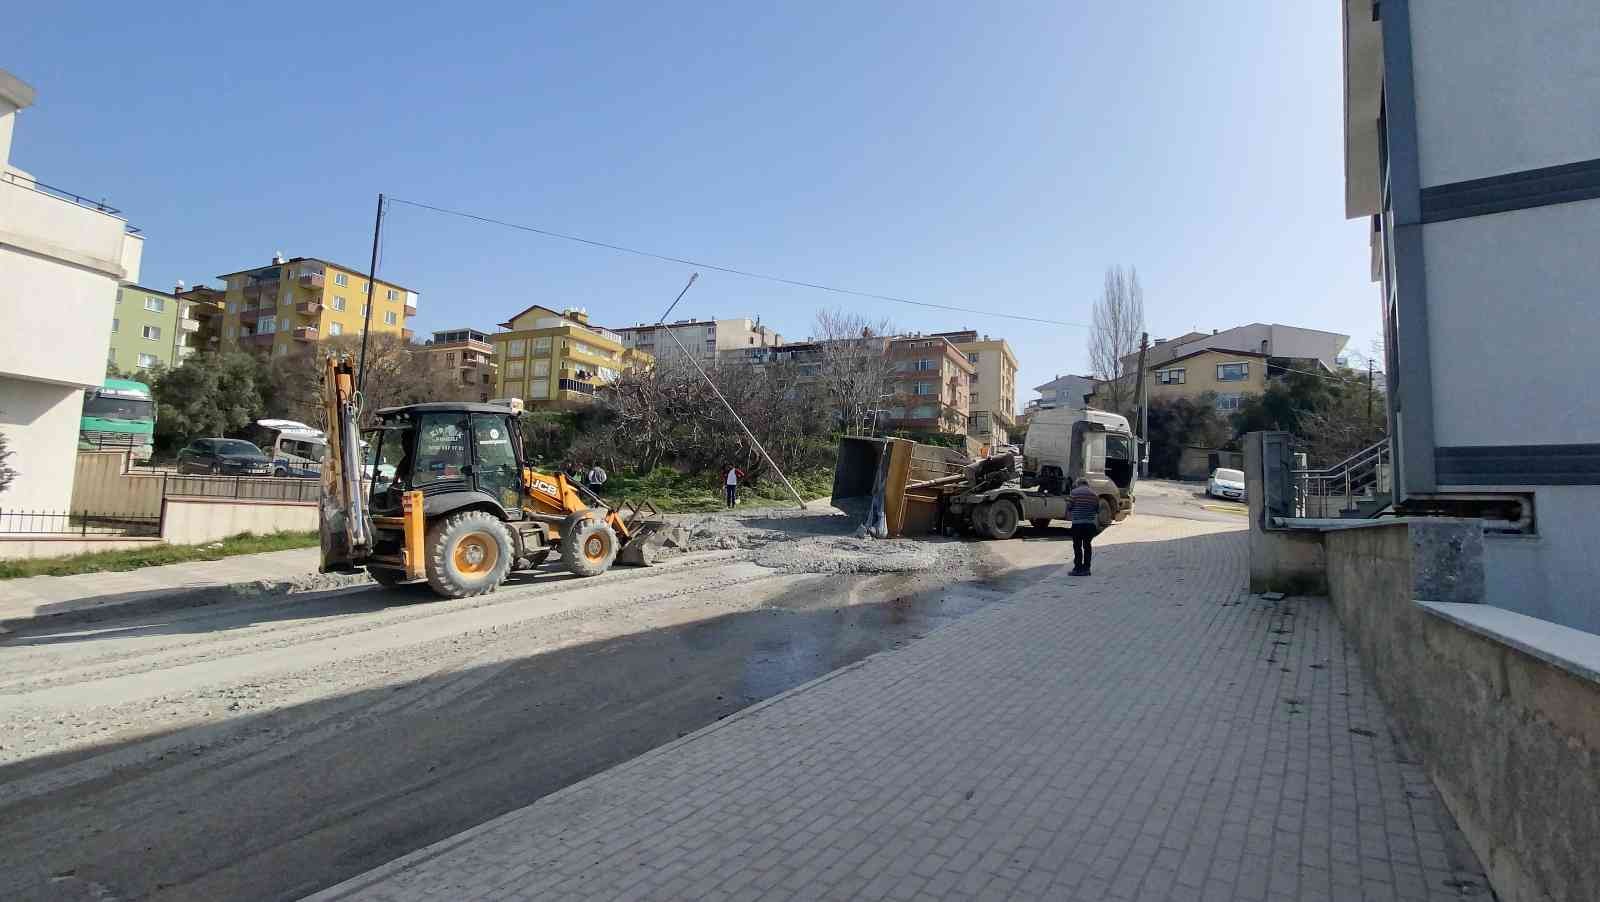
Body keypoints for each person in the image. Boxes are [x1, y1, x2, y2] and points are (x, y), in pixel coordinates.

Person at [1068, 478, 1100, 576]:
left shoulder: (1074, 493)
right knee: (1087, 546)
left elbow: (1069, 507)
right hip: (1089, 524)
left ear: (1078, 484)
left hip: (1077, 524)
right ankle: (1086, 569)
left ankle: (1077, 568)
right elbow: (1097, 510)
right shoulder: (1094, 495)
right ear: (1087, 484)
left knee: (1077, 546)